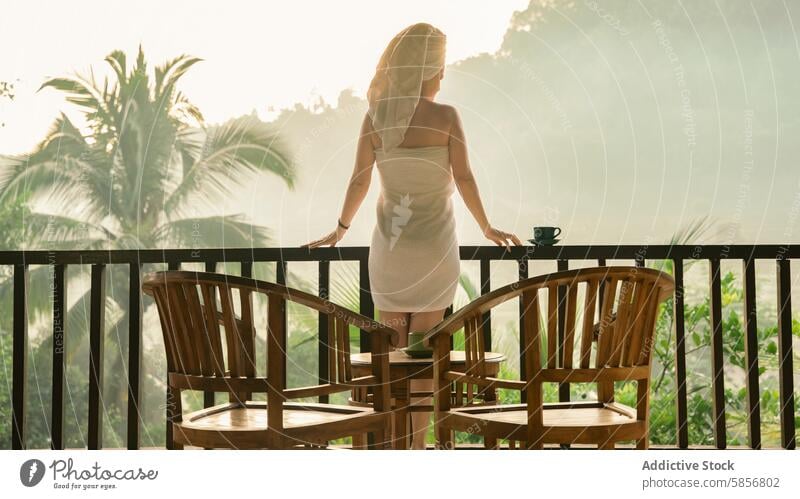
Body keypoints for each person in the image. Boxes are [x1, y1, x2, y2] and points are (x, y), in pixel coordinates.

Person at [302, 22, 521, 449]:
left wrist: (340, 230)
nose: (443, 78)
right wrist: (487, 227)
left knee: (392, 359)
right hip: (435, 253)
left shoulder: (375, 118)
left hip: (390, 253)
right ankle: (417, 449)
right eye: (439, 69)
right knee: (422, 359)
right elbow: (465, 178)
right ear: (425, 72)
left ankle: (390, 448)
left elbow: (359, 183)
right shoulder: (447, 117)